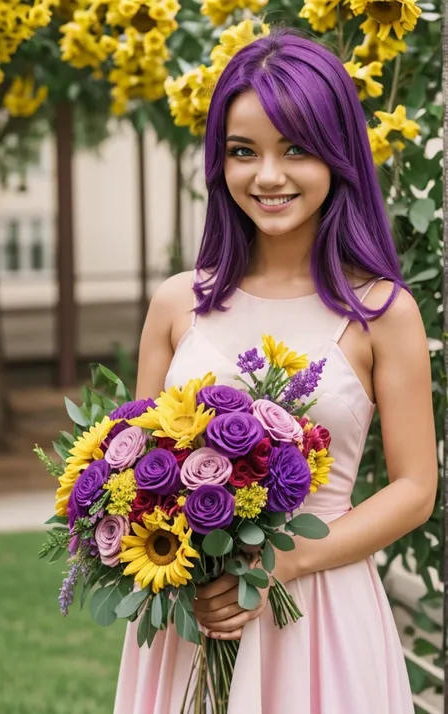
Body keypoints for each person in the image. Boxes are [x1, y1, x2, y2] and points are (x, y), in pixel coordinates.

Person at [114, 28, 437, 714]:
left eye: (296, 148)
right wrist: (187, 572)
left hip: (320, 609)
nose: (267, 175)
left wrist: (281, 562)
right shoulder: (178, 303)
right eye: (243, 152)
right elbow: (129, 472)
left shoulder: (383, 311)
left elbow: (414, 488)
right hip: (192, 615)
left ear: (339, 155)